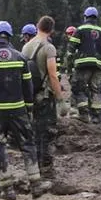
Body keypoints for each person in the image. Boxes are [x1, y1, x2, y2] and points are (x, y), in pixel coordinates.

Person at [0, 20, 50, 200]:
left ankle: (8, 190)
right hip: (18, 109)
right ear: (9, 37)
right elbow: (28, 85)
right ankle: (35, 184)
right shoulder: (19, 57)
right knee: (27, 144)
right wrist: (29, 106)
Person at [22, 16, 63, 178]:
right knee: (48, 131)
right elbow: (53, 75)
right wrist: (60, 98)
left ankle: (34, 167)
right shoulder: (49, 48)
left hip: (30, 94)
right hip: (45, 96)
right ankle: (46, 168)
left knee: (34, 130)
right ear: (51, 30)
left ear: (37, 27)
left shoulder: (26, 47)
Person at [68, 7, 101, 123]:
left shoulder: (80, 30)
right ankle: (96, 117)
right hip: (98, 66)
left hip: (82, 65)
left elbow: (70, 50)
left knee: (79, 88)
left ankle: (84, 115)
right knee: (95, 91)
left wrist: (69, 69)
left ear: (85, 17)